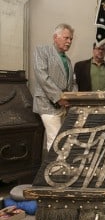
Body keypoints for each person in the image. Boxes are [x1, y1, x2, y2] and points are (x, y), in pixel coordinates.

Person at [33, 23, 78, 152]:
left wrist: (73, 99)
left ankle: (55, 169)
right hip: (47, 104)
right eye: (66, 38)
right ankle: (55, 170)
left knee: (59, 139)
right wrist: (58, 98)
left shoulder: (68, 60)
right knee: (56, 140)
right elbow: (42, 77)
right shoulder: (42, 51)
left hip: (64, 105)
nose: (69, 41)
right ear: (55, 37)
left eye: (71, 39)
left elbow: (73, 83)